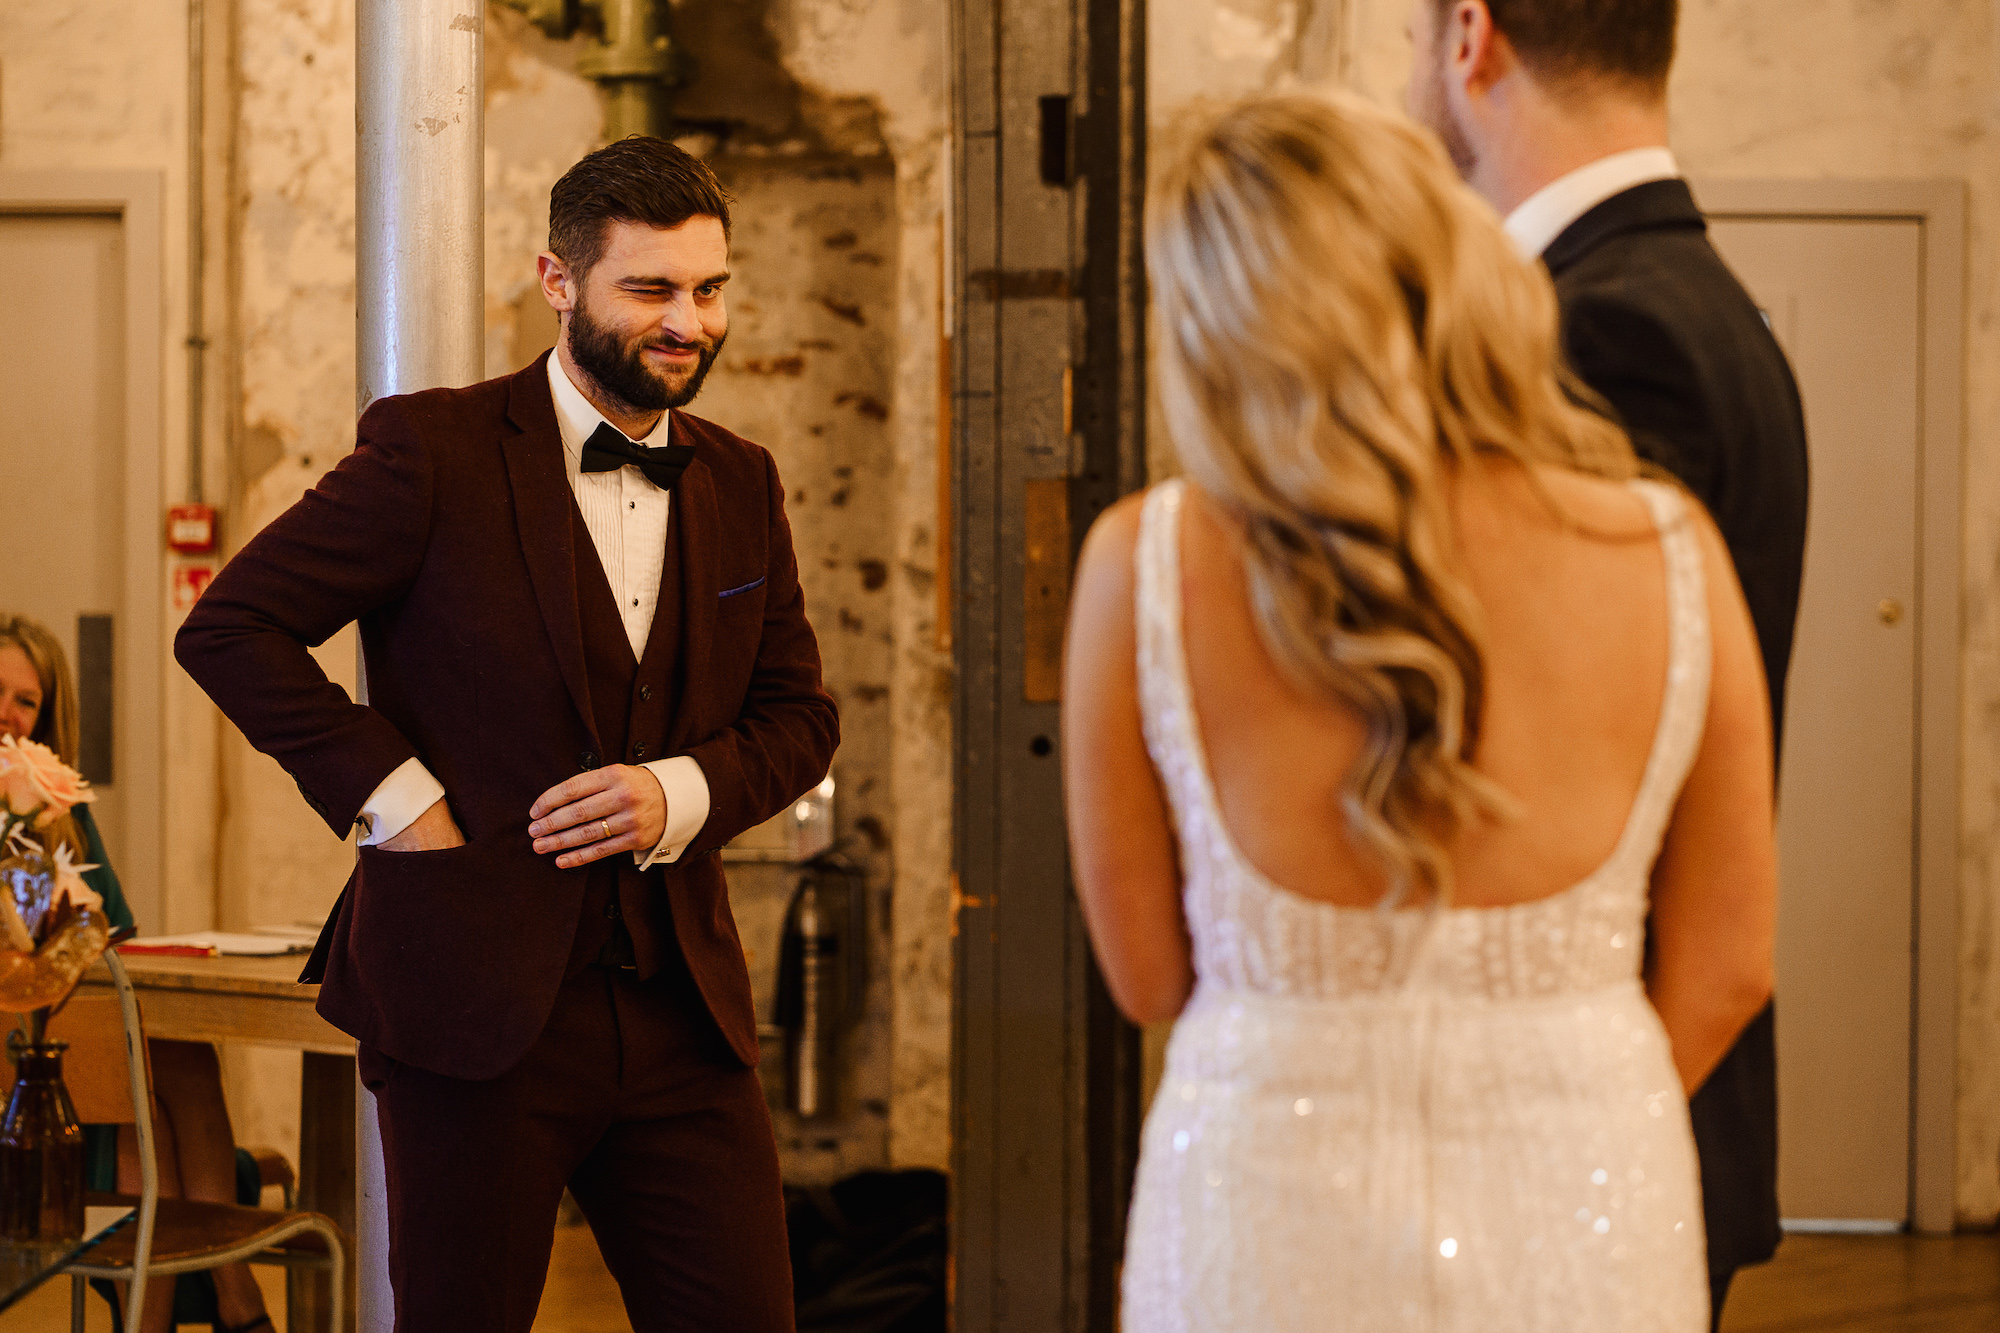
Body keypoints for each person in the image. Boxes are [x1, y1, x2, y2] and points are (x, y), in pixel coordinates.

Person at [1064, 92, 1777, 1331]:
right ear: (1457, 263)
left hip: (1263, 1204)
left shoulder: (1145, 558)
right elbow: (1728, 964)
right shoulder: (1669, 548)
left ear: (1210, 318)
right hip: (1591, 1197)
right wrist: (1567, 1106)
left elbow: (1143, 973)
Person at [176, 138, 838, 1330]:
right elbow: (231, 628)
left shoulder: (743, 480)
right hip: (469, 1003)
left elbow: (800, 719)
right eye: (650, 289)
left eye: (709, 289)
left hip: (682, 1012)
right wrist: (396, 800)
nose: (687, 322)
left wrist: (678, 790)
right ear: (558, 280)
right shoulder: (432, 451)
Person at [1405, 2, 1809, 1319]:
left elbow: (1555, 754)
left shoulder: (1600, 334)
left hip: (1584, 1113)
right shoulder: (1693, 301)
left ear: (1471, 37)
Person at [0, 614, 276, 1333]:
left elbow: (117, 935)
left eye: (26, 701)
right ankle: (238, 1299)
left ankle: (203, 1309)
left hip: (87, 1061)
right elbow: (42, 955)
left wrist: (43, 819)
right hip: (28, 1087)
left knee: (167, 1073)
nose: (7, 712)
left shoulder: (60, 812)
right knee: (154, 1083)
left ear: (46, 717)